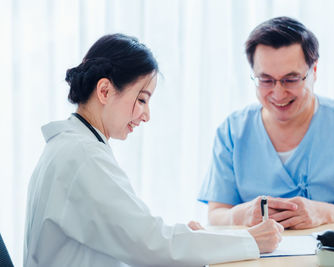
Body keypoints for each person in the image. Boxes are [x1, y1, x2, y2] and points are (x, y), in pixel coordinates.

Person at [23, 34, 284, 267]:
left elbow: (140, 236)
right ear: (104, 90)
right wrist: (249, 240)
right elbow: (151, 246)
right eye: (142, 99)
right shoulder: (82, 156)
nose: (146, 115)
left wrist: (196, 240)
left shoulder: (73, 147)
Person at [198, 17, 334, 230]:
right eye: (266, 80)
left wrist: (322, 213)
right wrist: (242, 215)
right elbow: (217, 214)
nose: (278, 93)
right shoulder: (232, 131)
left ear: (314, 71)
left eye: (290, 79)